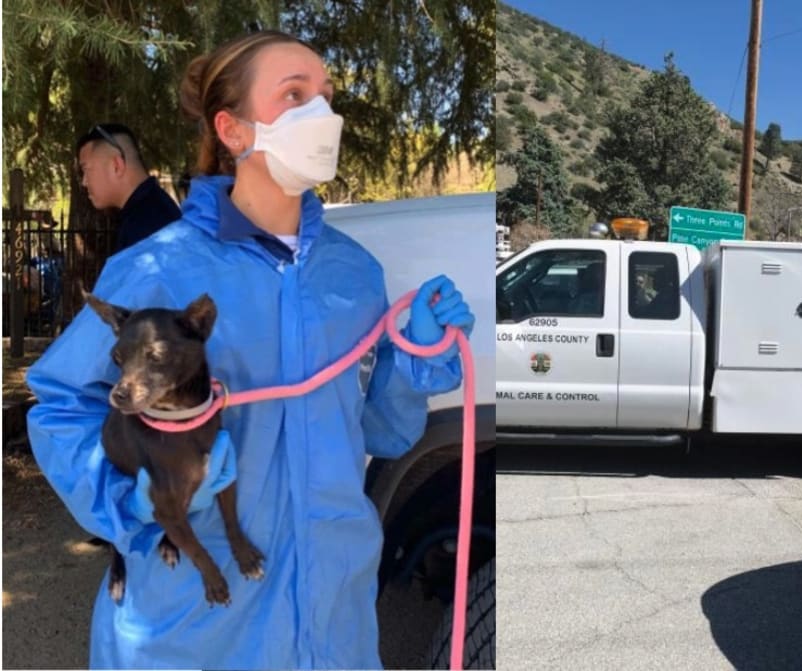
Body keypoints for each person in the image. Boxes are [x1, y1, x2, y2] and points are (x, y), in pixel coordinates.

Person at [27, 30, 475, 669]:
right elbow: (61, 405)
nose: (320, 112)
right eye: (294, 95)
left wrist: (415, 362)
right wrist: (132, 497)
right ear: (232, 130)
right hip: (195, 628)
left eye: (326, 96)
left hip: (333, 621)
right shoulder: (161, 269)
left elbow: (381, 431)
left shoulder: (353, 275)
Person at [76, 123, 183, 253]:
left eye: (86, 170)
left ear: (117, 166)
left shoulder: (145, 225)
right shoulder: (151, 210)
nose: (84, 182)